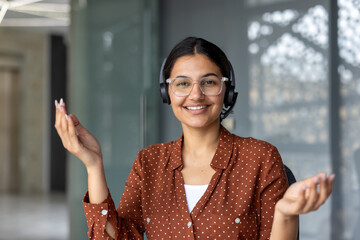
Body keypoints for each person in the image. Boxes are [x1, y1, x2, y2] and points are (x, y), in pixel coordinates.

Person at [54, 37, 334, 240]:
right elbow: (118, 237)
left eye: (209, 82)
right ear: (167, 93)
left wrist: (286, 213)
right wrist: (93, 165)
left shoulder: (260, 158)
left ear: (227, 91)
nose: (196, 94)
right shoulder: (149, 162)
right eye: (183, 83)